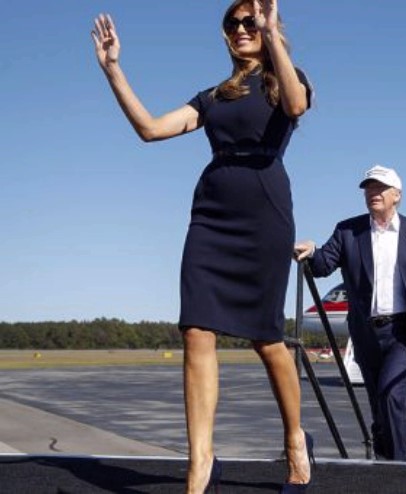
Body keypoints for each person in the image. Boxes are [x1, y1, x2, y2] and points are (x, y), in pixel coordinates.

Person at [91, 1, 313, 492]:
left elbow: (296, 106)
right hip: (211, 219)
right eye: (233, 23)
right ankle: (200, 463)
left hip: (265, 215)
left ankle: (295, 439)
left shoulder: (286, 80)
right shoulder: (214, 96)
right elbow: (150, 129)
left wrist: (272, 35)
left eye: (250, 21)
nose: (241, 29)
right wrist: (113, 70)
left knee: (267, 338)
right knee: (195, 330)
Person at [294, 165, 406, 461]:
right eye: (368, 188)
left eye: (379, 188)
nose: (372, 193)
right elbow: (324, 265)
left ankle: (398, 468)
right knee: (379, 404)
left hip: (404, 333)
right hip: (366, 333)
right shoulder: (348, 231)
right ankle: (382, 464)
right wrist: (313, 250)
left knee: (392, 394)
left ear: (397, 195)